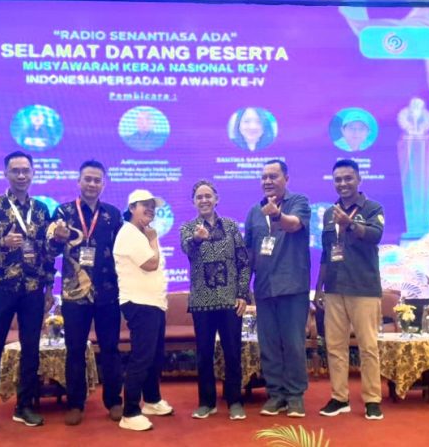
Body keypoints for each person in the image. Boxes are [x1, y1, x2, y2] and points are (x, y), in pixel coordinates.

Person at [0, 150, 56, 434]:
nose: (21, 175)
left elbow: (47, 252)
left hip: (33, 289)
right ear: (6, 173)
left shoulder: (41, 210)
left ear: (33, 173)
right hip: (1, 287)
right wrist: (2, 242)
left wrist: (49, 287)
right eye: (15, 171)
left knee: (31, 348)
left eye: (25, 170)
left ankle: (25, 406)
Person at [48, 160, 124, 426]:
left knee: (111, 348)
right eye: (87, 179)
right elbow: (51, 251)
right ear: (78, 181)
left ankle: (114, 401)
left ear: (103, 184)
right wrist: (56, 239)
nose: (92, 184)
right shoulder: (63, 212)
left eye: (97, 180)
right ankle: (75, 403)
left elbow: (122, 251)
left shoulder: (113, 214)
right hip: (74, 293)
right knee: (75, 349)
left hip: (108, 292)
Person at [315, 158, 385, 421]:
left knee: (368, 347)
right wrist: (318, 288)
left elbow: (375, 235)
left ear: (358, 179)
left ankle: (372, 400)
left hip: (364, 287)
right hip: (334, 287)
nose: (343, 183)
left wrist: (350, 224)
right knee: (335, 346)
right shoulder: (328, 213)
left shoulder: (372, 208)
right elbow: (326, 252)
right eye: (338, 180)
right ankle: (339, 397)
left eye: (348, 178)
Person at [244, 159, 311, 418]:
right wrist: (244, 286)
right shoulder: (254, 211)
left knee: (293, 344)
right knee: (269, 344)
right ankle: (276, 395)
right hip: (264, 288)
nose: (268, 181)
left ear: (286, 179)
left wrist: (276, 215)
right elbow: (250, 252)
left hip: (292, 287)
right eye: (264, 177)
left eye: (273, 176)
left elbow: (293, 224)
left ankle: (294, 396)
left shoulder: (299, 202)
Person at [179, 180, 250, 421]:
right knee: (204, 355)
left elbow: (243, 262)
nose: (204, 200)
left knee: (232, 353)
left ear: (216, 199)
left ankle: (235, 401)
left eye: (208, 196)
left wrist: (242, 294)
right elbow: (187, 249)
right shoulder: (188, 228)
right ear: (193, 202)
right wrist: (197, 239)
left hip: (230, 301)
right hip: (202, 302)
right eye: (199, 197)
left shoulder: (230, 226)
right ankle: (206, 403)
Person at [113, 189, 173, 431]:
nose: (150, 209)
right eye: (144, 205)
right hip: (139, 303)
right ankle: (130, 412)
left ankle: (152, 400)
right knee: (142, 357)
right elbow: (151, 263)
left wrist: (150, 238)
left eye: (152, 206)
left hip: (154, 302)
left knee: (155, 356)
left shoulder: (141, 234)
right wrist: (154, 238)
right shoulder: (129, 232)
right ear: (131, 208)